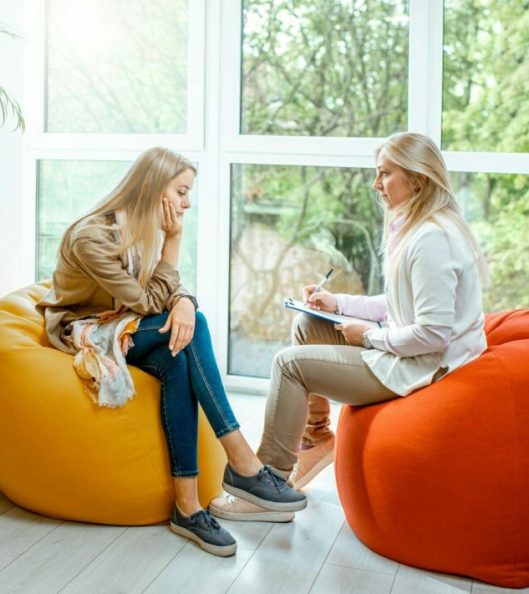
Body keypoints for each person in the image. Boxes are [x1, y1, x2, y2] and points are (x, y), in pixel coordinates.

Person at [37, 147, 306, 558]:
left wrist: (184, 300)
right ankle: (243, 464)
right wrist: (175, 246)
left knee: (179, 355)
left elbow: (167, 292)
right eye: (181, 191)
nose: (187, 202)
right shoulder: (91, 236)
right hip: (89, 328)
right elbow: (146, 300)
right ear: (153, 186)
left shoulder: (140, 228)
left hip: (125, 322)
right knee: (193, 328)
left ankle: (188, 506)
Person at [212, 131, 488, 519]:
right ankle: (317, 437)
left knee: (289, 364)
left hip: (424, 367)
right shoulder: (414, 226)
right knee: (308, 325)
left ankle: (267, 487)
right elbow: (398, 303)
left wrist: (370, 337)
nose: (377, 184)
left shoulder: (432, 240)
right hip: (411, 351)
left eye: (385, 174)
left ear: (418, 180)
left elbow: (432, 335)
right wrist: (337, 303)